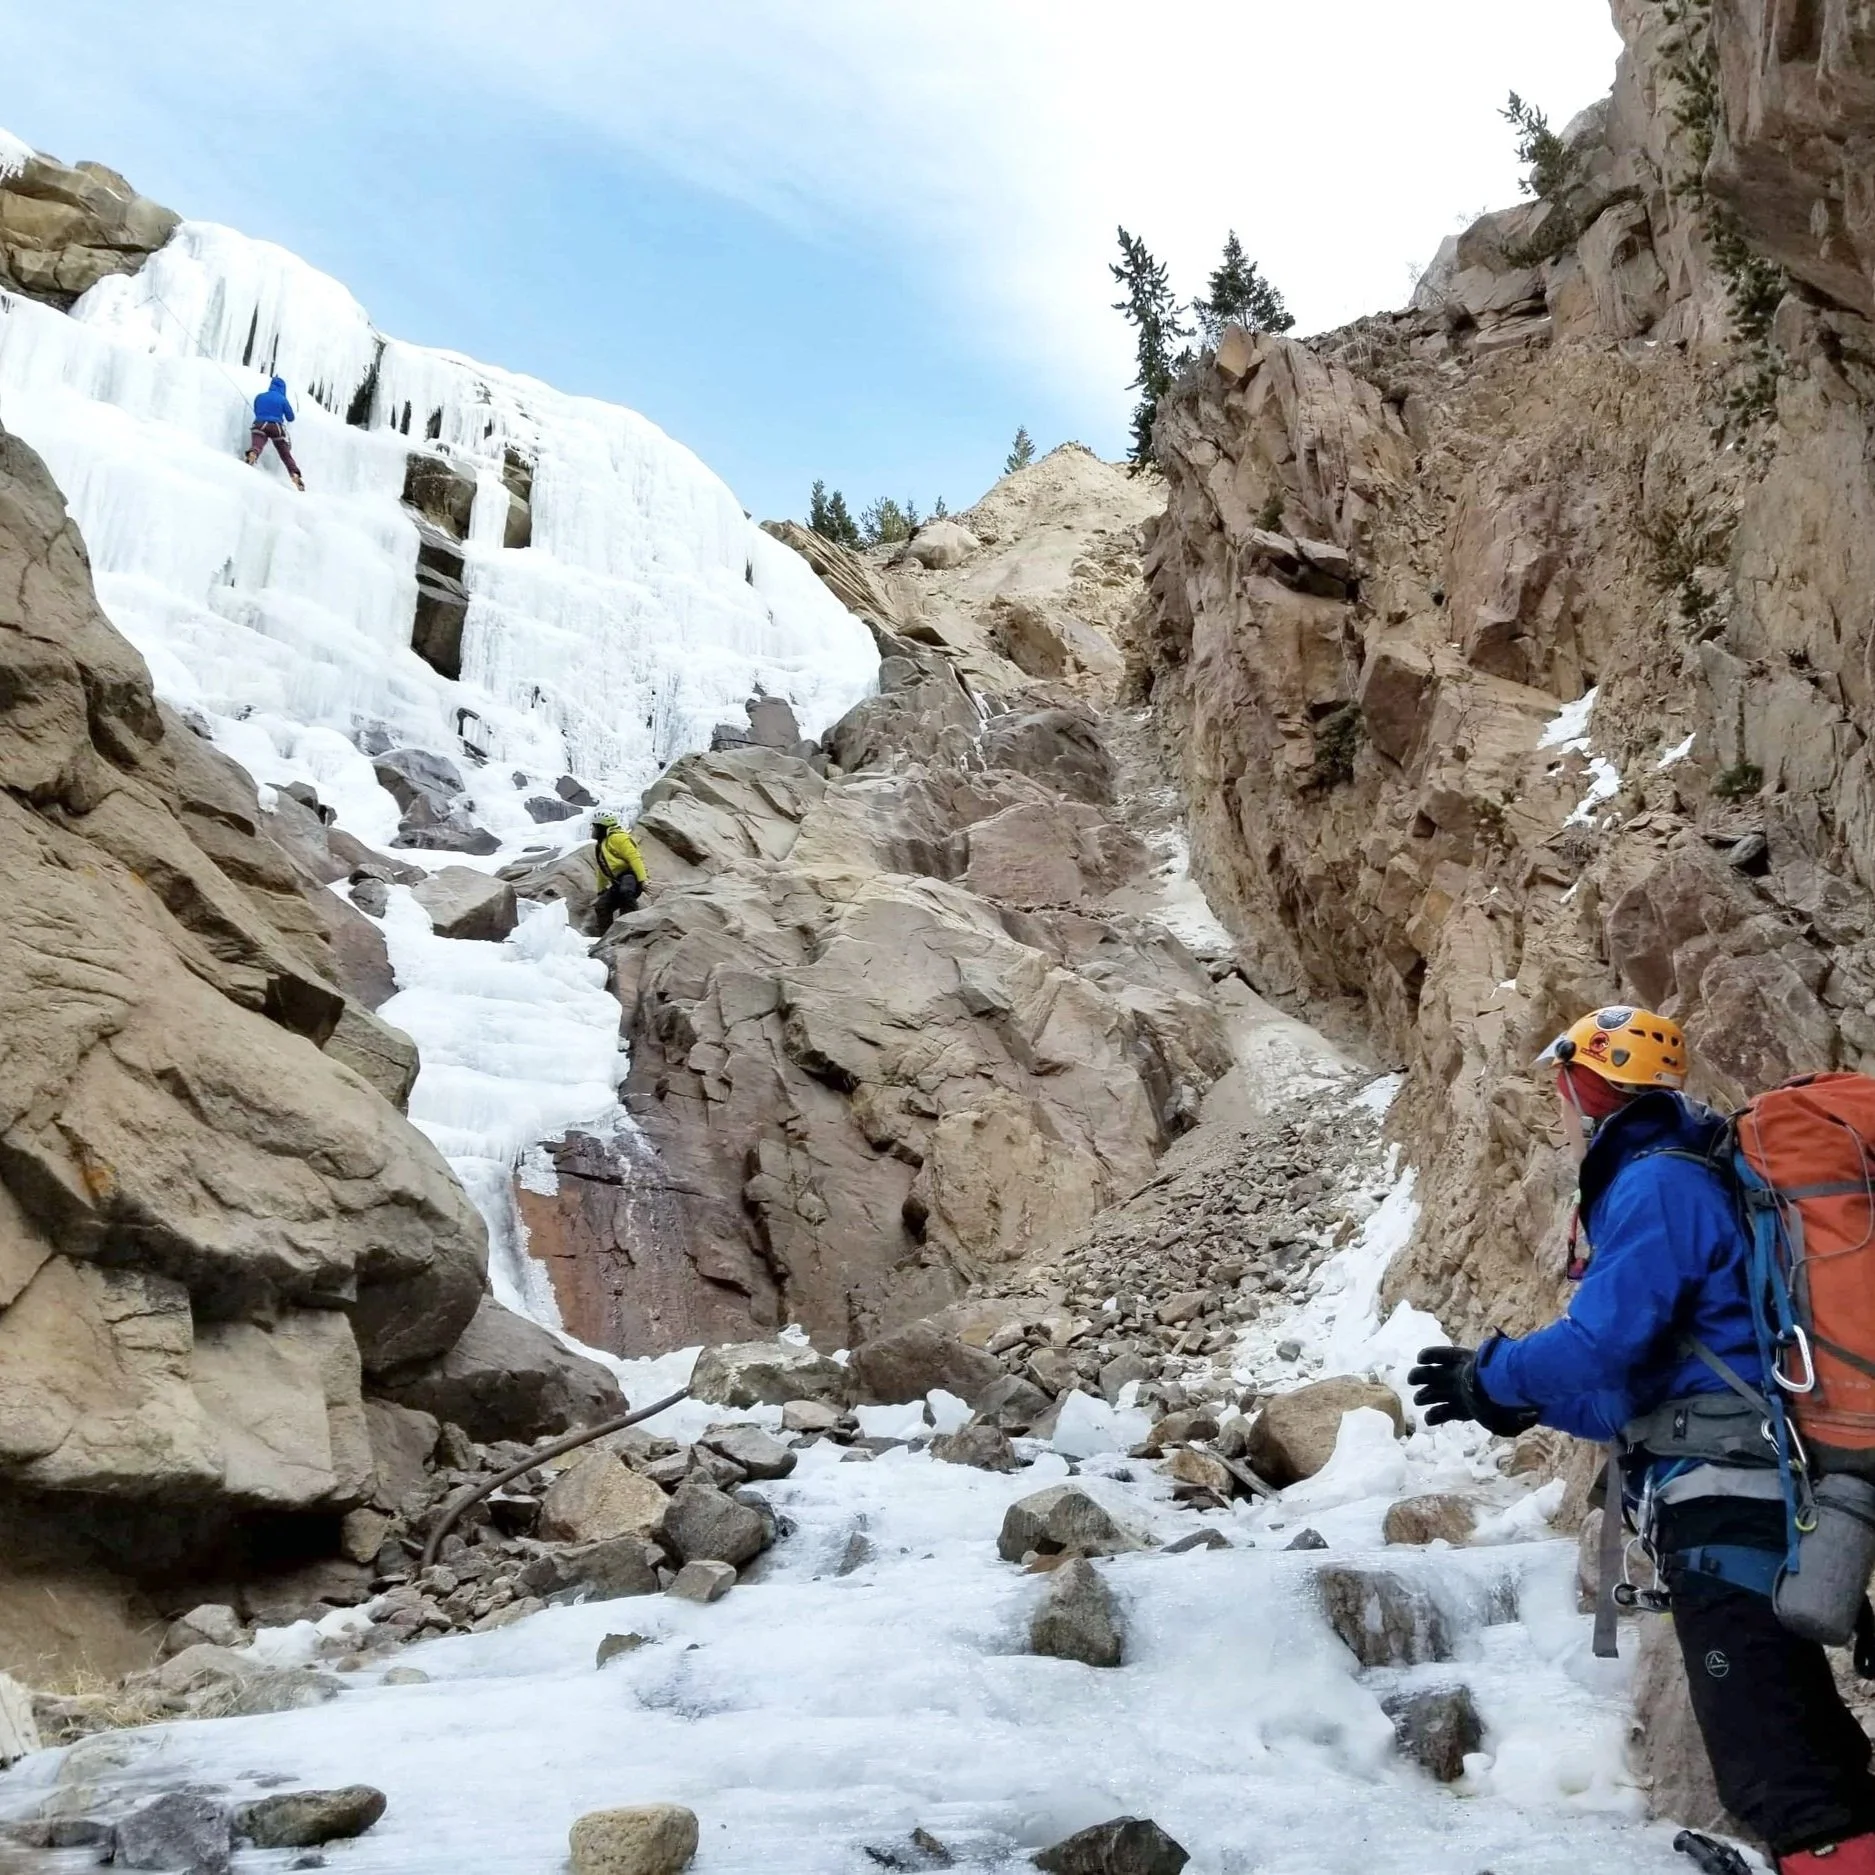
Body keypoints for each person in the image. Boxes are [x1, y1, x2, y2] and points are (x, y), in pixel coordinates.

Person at [1409, 1006, 1875, 1875]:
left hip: (1728, 1502)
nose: (1558, 1103)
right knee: (1800, 1735)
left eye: (1562, 1086)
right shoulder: (1679, 1173)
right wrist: (1518, 1407)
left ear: (1584, 1086)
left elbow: (1599, 1343)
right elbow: (1639, 1397)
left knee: (1781, 1773)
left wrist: (1496, 1372)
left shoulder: (1656, 1183)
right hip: (1738, 1486)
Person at [590, 812, 648, 934]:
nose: (593, 830)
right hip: (618, 881)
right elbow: (602, 868)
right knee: (602, 906)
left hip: (630, 877)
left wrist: (643, 880)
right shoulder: (601, 844)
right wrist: (601, 890)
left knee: (625, 893)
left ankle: (628, 930)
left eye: (595, 827)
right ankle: (605, 938)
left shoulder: (619, 838)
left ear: (602, 827)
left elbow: (634, 858)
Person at [245, 377, 305, 491]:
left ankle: (253, 453)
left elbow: (257, 410)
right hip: (276, 427)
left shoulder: (260, 396)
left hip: (260, 423)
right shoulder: (282, 399)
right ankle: (294, 473)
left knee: (258, 442)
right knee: (284, 452)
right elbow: (290, 417)